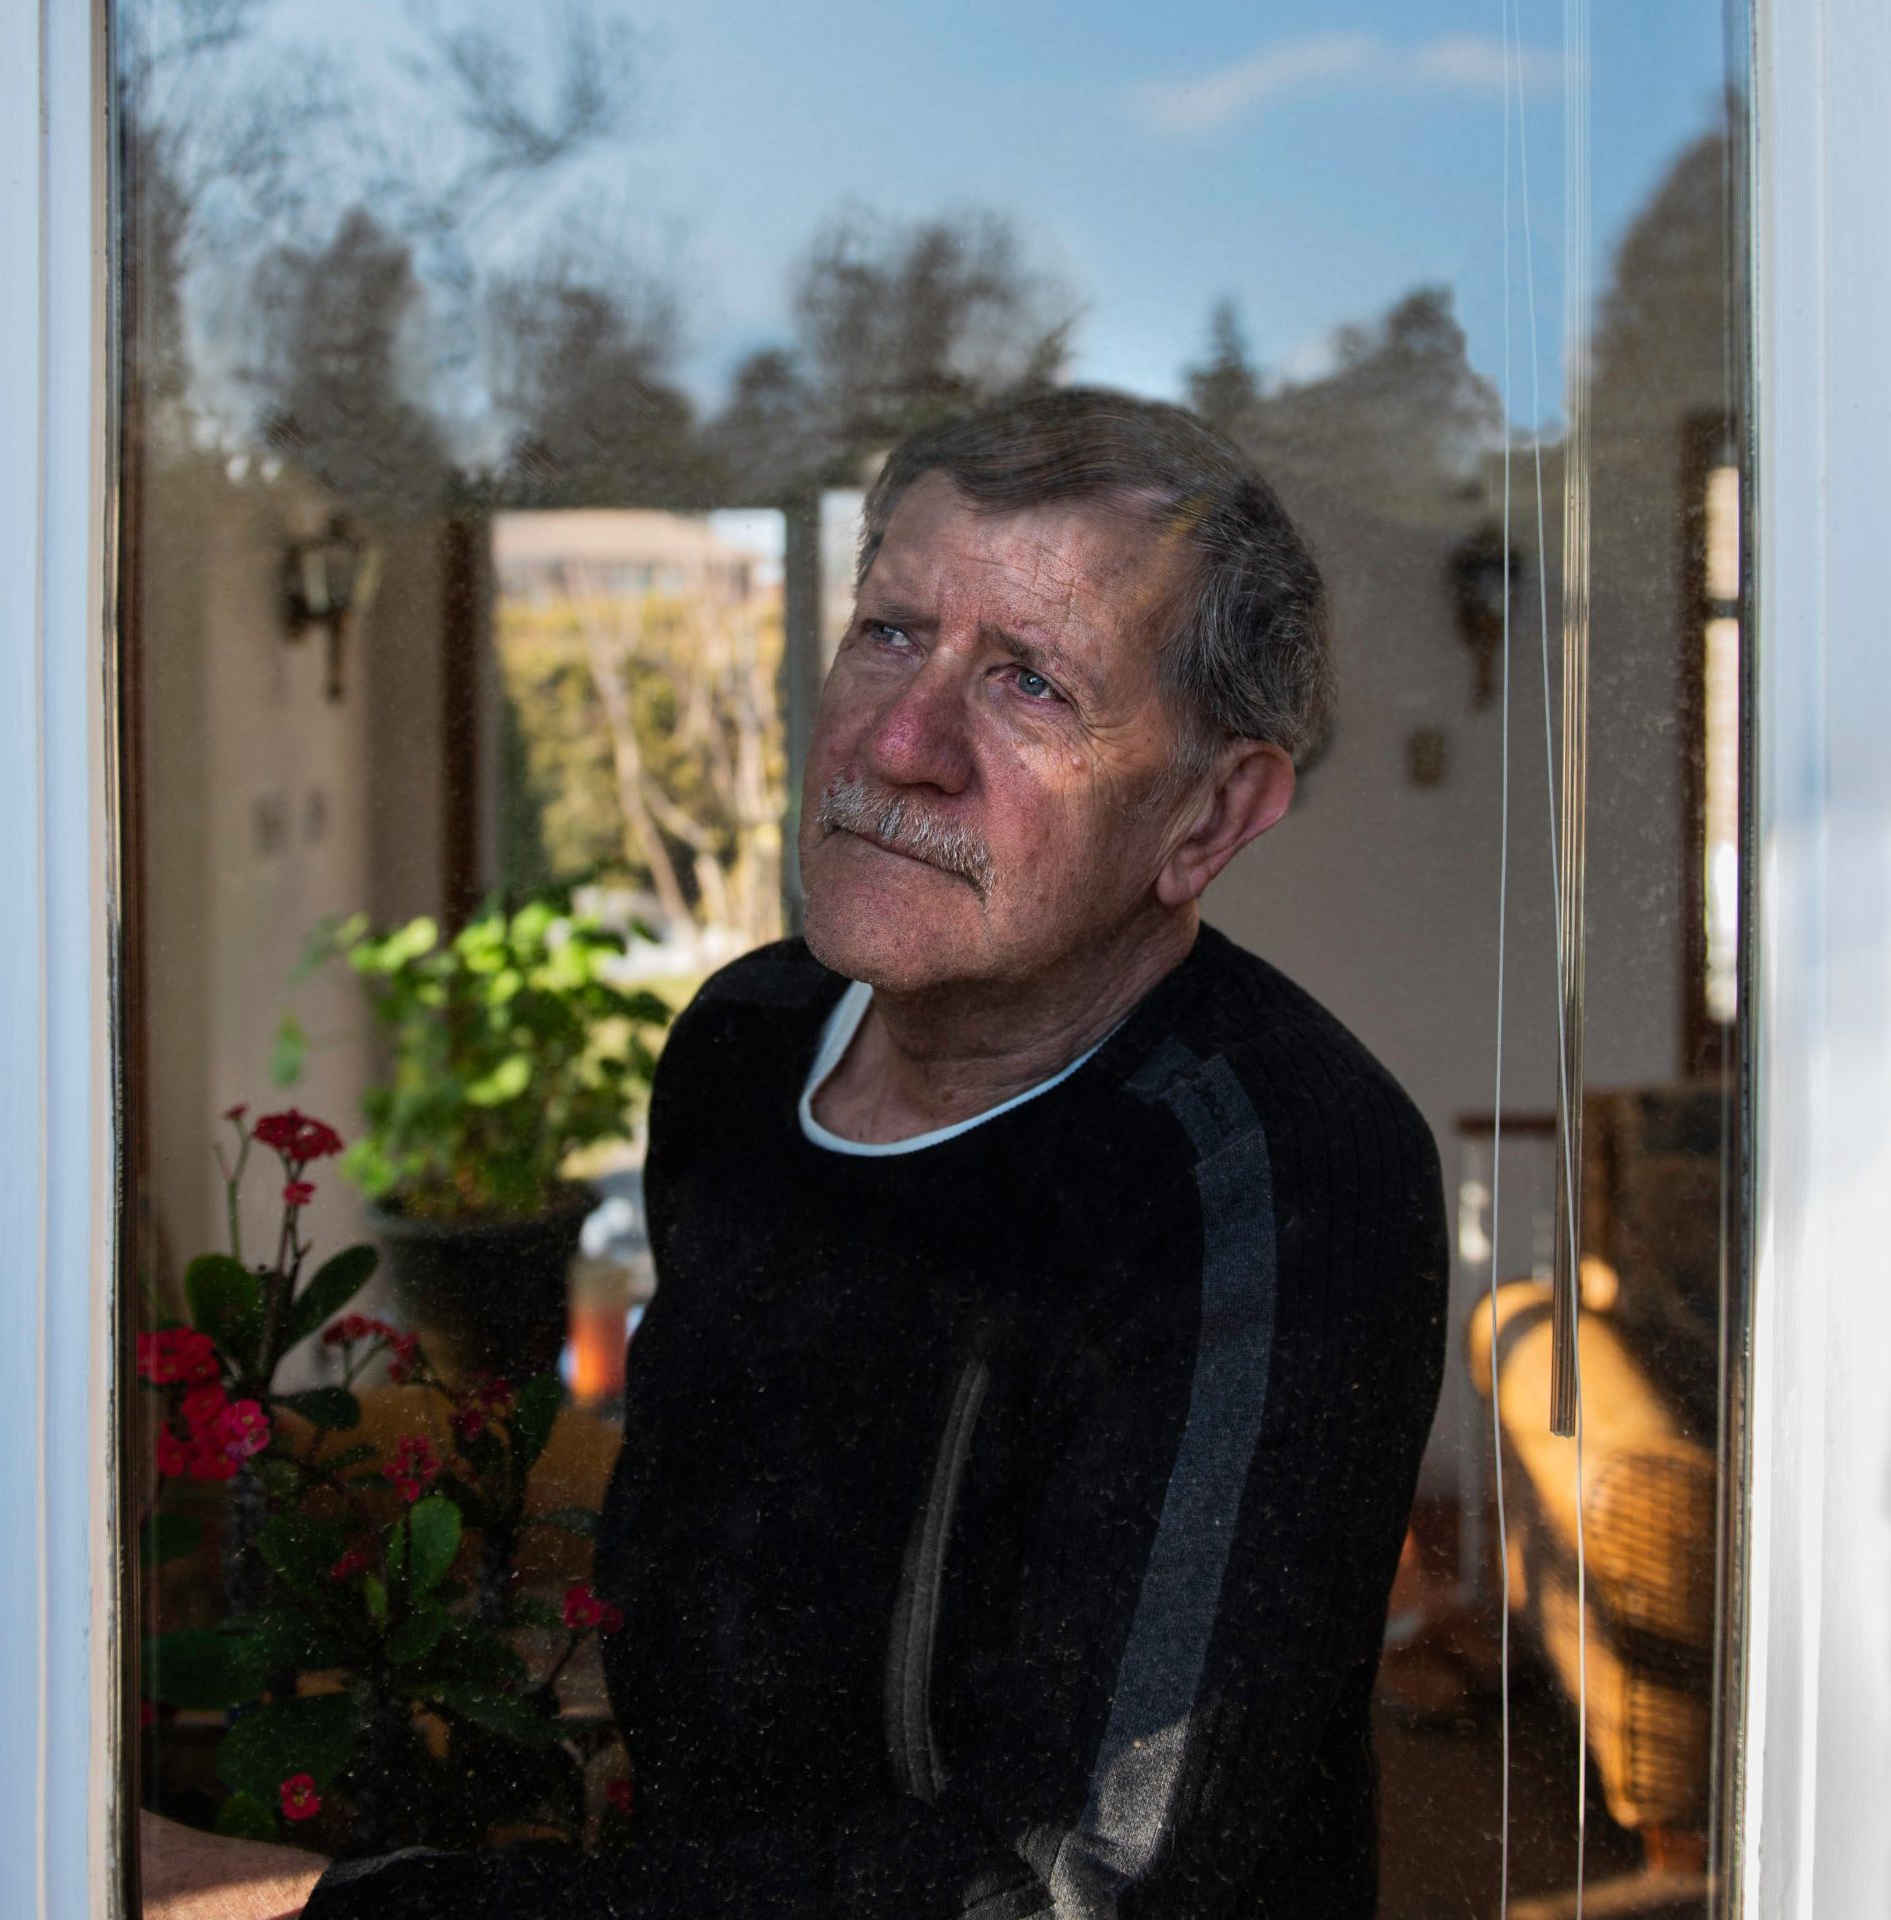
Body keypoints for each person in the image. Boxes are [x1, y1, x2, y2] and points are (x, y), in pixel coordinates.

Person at [143, 388, 1448, 1919]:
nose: (899, 744)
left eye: (1031, 682)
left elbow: (1079, 1883)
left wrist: (314, 1907)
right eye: (890, 632)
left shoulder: (1271, 1179)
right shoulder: (747, 1046)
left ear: (1210, 818)